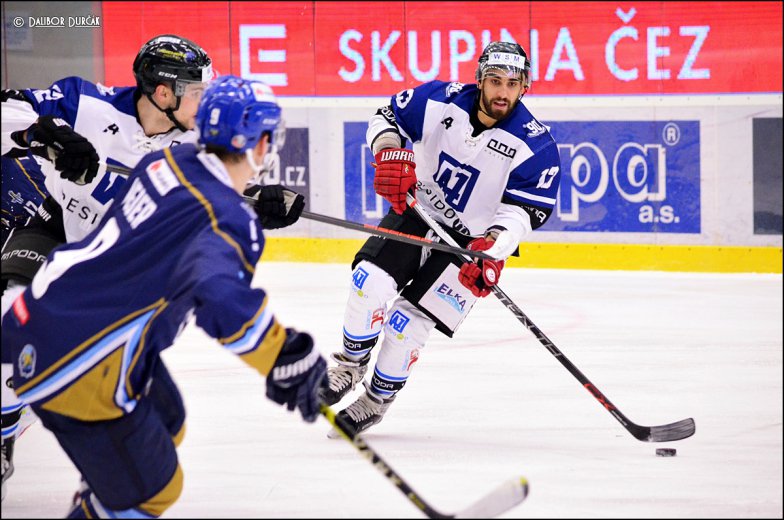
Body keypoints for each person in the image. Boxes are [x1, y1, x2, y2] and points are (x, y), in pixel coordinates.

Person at [0, 74, 327, 518]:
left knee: (167, 422)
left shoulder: (168, 162)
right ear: (256, 142)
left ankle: (105, 483)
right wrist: (283, 355)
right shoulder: (227, 220)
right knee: (155, 491)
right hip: (78, 356)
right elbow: (219, 297)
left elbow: (190, 208)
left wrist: (247, 199)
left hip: (43, 308)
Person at [322, 42, 563, 435]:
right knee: (369, 282)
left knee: (407, 323)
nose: (503, 92)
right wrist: (388, 151)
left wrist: (492, 248)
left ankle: (375, 401)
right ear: (480, 79)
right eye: (495, 81)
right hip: (417, 213)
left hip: (470, 247)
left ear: (525, 87)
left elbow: (522, 213)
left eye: (512, 83)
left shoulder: (536, 147)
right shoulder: (439, 100)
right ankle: (349, 366)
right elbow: (387, 116)